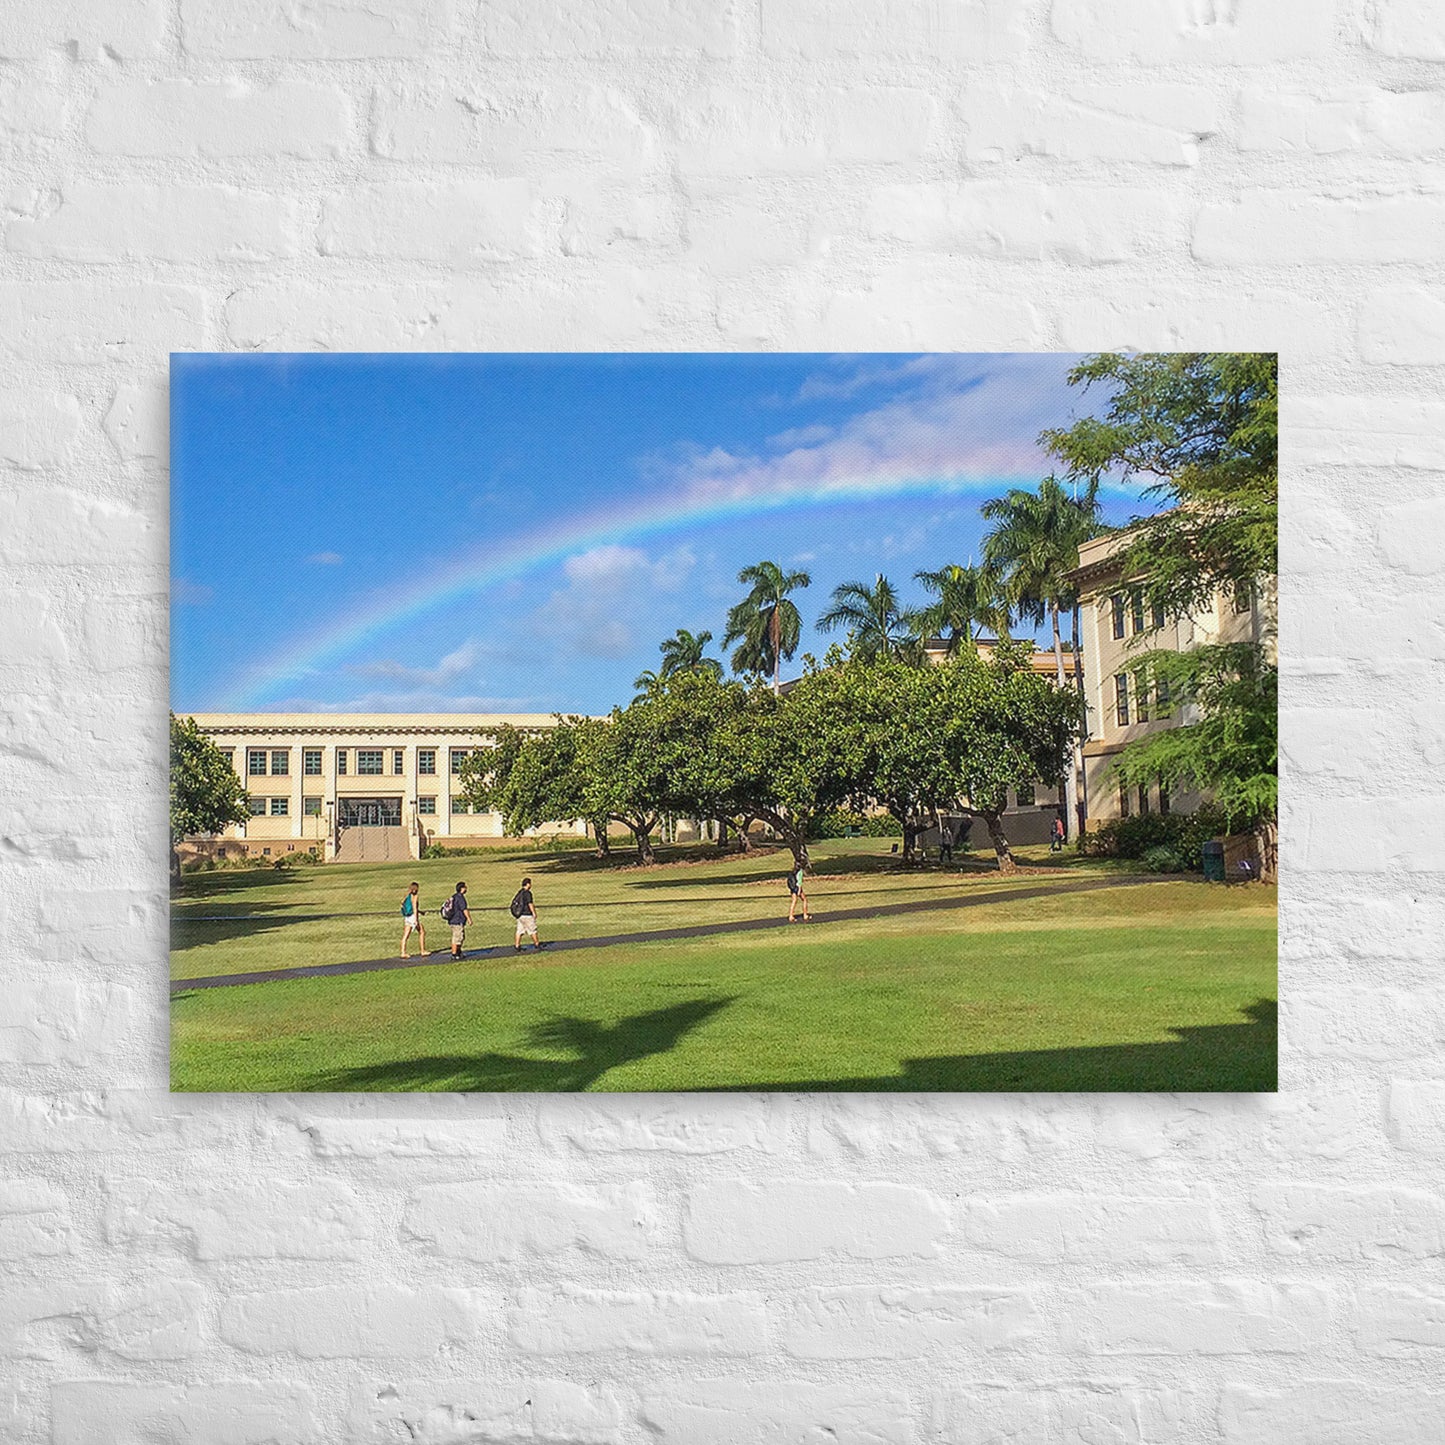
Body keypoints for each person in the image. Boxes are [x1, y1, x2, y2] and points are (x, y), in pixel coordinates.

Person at [511, 876, 545, 951]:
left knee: (519, 931)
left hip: (520, 915)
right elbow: (530, 904)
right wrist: (534, 913)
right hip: (527, 914)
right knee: (532, 930)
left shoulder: (519, 892)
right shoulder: (528, 893)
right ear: (528, 884)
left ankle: (517, 945)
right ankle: (537, 944)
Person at [443, 880, 470, 959]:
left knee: (460, 937)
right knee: (457, 937)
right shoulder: (460, 897)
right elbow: (464, 909)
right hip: (457, 920)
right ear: (462, 888)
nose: (466, 889)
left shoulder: (454, 896)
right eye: (465, 887)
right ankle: (454, 954)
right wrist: (469, 918)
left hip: (453, 920)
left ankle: (458, 951)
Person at [399, 881, 425, 959]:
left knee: (406, 935)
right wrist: (416, 920)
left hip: (407, 917)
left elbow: (404, 905)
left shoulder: (407, 896)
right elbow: (414, 908)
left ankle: (403, 952)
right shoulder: (415, 896)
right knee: (422, 932)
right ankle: (422, 950)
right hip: (413, 917)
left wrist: (420, 912)